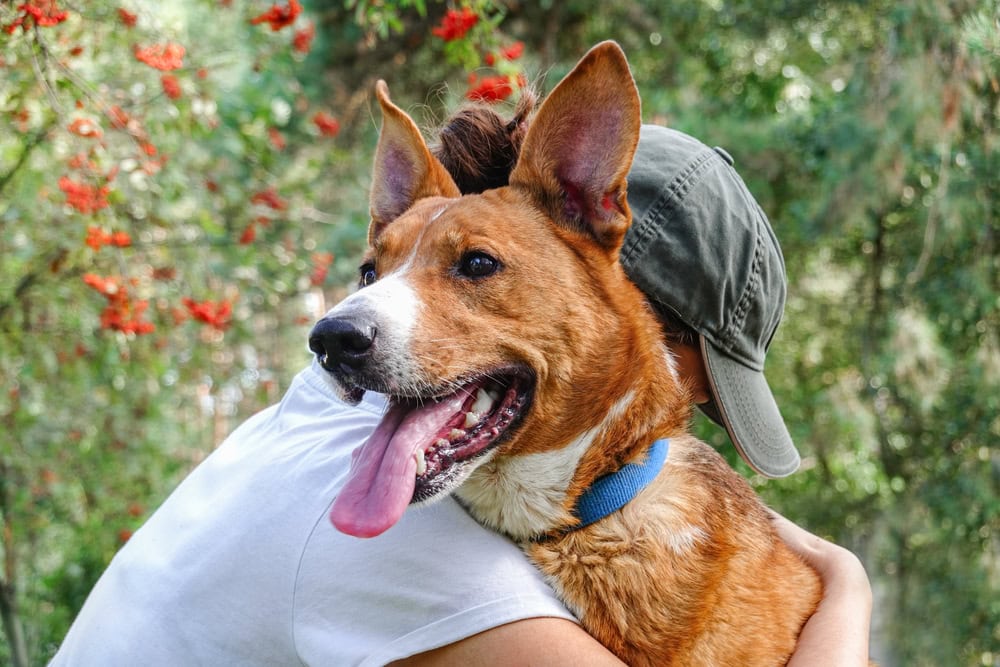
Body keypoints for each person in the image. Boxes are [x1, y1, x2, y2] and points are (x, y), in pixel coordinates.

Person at [50, 99, 872, 667]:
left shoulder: (336, 424)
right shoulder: (395, 538)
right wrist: (848, 584)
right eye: (695, 380)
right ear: (616, 304)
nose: (678, 414)